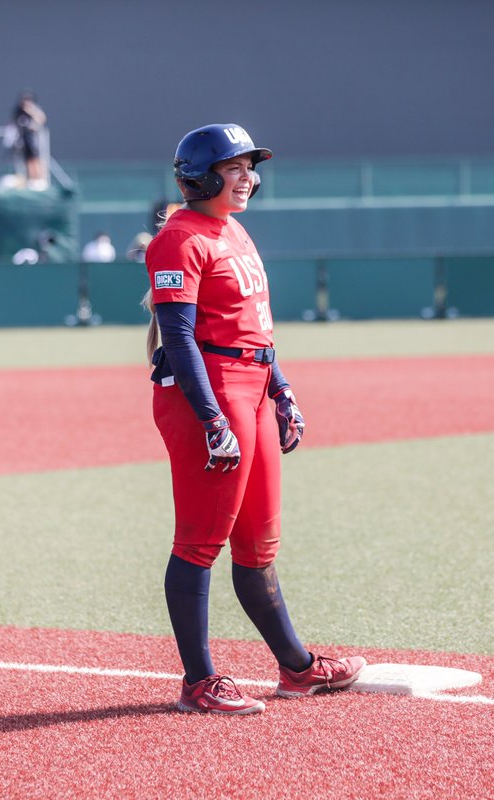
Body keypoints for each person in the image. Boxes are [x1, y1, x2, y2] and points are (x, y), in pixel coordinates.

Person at [143, 123, 366, 716]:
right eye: (236, 167)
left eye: (250, 167)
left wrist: (282, 388)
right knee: (199, 541)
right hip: (209, 395)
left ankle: (297, 669)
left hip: (252, 388)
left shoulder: (233, 230)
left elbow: (254, 328)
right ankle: (199, 680)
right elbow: (181, 336)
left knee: (258, 542)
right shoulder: (180, 238)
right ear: (203, 175)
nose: (249, 177)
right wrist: (212, 416)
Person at [10, 90, 48, 188]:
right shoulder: (19, 111)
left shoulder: (33, 110)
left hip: (32, 139)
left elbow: (41, 119)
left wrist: (32, 111)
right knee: (27, 160)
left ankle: (39, 178)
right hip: (22, 139)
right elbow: (14, 122)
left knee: (35, 159)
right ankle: (31, 179)